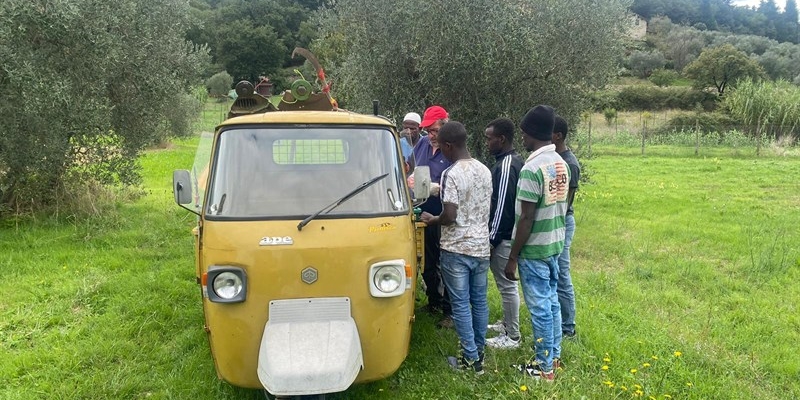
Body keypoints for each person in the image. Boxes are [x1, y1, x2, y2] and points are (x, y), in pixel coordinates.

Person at [420, 121, 492, 374]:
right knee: (479, 302)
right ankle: (479, 353)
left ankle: (470, 360)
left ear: (449, 146)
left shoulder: (451, 173)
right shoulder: (484, 170)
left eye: (441, 147)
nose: (441, 152)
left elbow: (450, 215)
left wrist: (433, 219)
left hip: (456, 249)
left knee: (460, 304)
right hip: (482, 247)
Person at [505, 105, 570, 382]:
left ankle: (544, 370)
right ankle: (554, 359)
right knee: (553, 303)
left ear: (532, 133)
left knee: (541, 308)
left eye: (524, 133)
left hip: (535, 249)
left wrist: (512, 257)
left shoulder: (532, 169)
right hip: (555, 243)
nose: (522, 138)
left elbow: (527, 217)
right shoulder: (560, 163)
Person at [483, 118, 525, 349]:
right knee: (503, 283)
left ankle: (512, 337)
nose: (487, 143)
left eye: (489, 139)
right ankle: (507, 324)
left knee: (508, 285)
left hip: (505, 235)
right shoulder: (506, 161)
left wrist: (492, 238)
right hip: (505, 234)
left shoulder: (508, 164)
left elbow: (503, 206)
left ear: (502, 139)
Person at [413, 105, 453, 327]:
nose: (431, 135)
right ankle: (434, 300)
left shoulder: (451, 149)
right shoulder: (421, 144)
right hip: (423, 211)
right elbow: (412, 166)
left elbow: (457, 184)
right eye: (428, 130)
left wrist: (435, 187)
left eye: (435, 130)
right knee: (427, 260)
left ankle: (450, 311)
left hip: (446, 213)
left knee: (446, 261)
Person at [552, 116, 580, 339]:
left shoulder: (569, 163)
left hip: (562, 222)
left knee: (562, 275)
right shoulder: (555, 159)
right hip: (554, 221)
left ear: (558, 136)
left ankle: (568, 328)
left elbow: (565, 203)